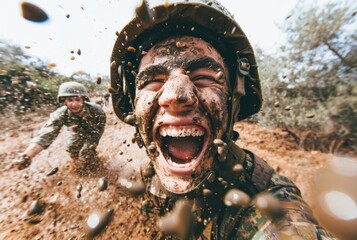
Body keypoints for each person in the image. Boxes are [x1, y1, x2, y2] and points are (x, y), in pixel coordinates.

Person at [110, 0, 336, 239]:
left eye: (204, 78)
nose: (175, 96)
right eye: (153, 81)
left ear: (232, 101)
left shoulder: (265, 206)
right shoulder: (149, 173)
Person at [14, 81, 106, 174]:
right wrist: (27, 156)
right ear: (64, 101)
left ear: (83, 100)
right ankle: (79, 167)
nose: (74, 104)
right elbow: (46, 134)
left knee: (86, 151)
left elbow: (98, 130)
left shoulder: (96, 110)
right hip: (77, 130)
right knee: (71, 147)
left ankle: (98, 169)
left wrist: (90, 144)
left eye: (77, 100)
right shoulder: (60, 114)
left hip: (94, 130)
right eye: (70, 100)